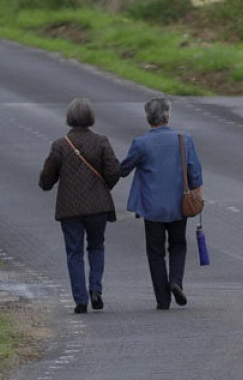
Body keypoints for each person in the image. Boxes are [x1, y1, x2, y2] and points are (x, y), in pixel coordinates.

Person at [39, 98, 121, 314]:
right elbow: (114, 170)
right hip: (98, 206)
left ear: (69, 118)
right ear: (91, 118)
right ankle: (96, 289)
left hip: (70, 209)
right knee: (96, 246)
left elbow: (47, 179)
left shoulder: (60, 145)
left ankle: (80, 299)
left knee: (74, 252)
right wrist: (104, 186)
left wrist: (45, 183)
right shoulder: (102, 141)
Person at [120, 97, 202, 310]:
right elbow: (195, 173)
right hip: (178, 204)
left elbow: (124, 168)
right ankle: (176, 280)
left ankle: (162, 299)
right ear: (168, 116)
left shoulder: (141, 143)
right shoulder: (184, 140)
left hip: (152, 207)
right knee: (178, 245)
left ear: (148, 118)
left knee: (155, 252)